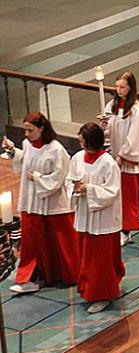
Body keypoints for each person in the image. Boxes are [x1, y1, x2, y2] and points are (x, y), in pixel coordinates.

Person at [2, 112, 79, 295]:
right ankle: (32, 277)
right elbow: (26, 160)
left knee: (58, 241)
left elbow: (59, 177)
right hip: (31, 201)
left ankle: (67, 274)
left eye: (30, 130)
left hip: (51, 202)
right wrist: (14, 152)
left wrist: (37, 178)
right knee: (32, 242)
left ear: (42, 128)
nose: (26, 134)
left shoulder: (56, 150)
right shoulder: (28, 144)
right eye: (25, 130)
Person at [67, 122, 124, 314]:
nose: (81, 144)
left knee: (101, 260)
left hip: (103, 219)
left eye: (83, 141)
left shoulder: (108, 163)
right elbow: (69, 180)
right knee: (87, 256)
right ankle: (89, 289)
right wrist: (74, 188)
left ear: (92, 141)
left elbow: (112, 191)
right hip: (85, 215)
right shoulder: (77, 158)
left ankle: (103, 294)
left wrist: (89, 189)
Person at [104, 71, 139, 246]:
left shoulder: (137, 111)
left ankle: (125, 231)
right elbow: (108, 127)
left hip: (127, 158)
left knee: (127, 194)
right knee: (135, 189)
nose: (119, 90)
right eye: (117, 86)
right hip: (115, 153)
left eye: (123, 87)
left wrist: (122, 155)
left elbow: (135, 136)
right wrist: (104, 128)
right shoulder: (112, 105)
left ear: (131, 88)